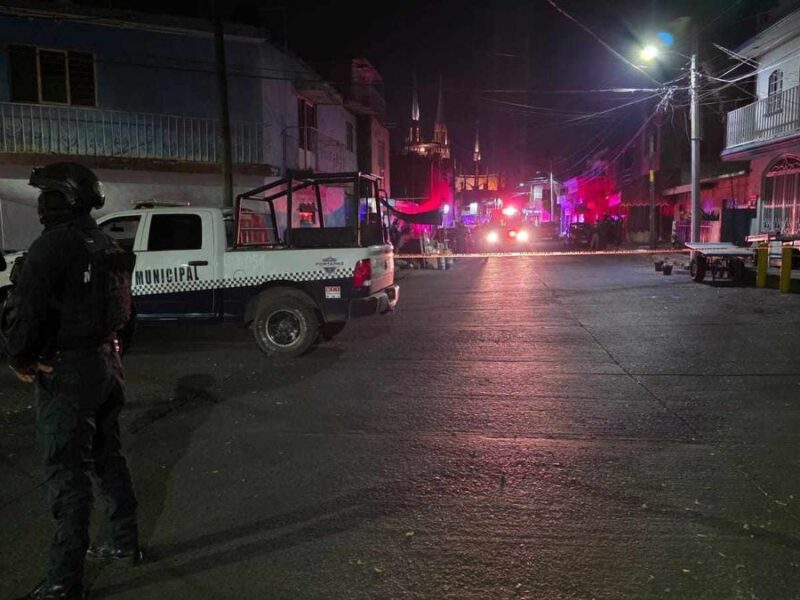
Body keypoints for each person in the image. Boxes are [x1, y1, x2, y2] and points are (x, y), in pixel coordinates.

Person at [3, 162, 140, 600]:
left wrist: (20, 358)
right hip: (105, 364)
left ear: (63, 197)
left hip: (69, 371)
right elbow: (124, 310)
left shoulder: (53, 246)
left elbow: (27, 313)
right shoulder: (102, 241)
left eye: (47, 194)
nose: (42, 202)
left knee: (67, 471)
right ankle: (124, 543)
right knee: (107, 456)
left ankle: (64, 579)